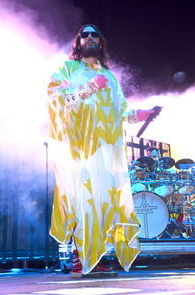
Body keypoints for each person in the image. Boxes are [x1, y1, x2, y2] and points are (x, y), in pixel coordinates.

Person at [47, 24, 154, 275]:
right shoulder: (67, 69)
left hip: (105, 151)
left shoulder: (110, 76)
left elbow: (121, 113)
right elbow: (59, 101)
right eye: (85, 34)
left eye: (94, 34)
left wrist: (140, 114)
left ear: (101, 42)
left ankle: (96, 257)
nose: (90, 37)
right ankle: (79, 258)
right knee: (82, 202)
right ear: (78, 41)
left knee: (104, 205)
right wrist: (90, 87)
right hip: (79, 149)